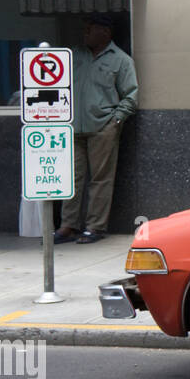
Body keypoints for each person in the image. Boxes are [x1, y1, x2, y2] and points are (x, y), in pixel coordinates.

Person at [54, 14, 138, 244]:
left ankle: (95, 227)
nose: (85, 33)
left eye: (90, 29)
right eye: (85, 28)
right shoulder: (75, 55)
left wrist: (116, 121)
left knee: (100, 179)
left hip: (103, 126)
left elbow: (131, 95)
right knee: (71, 178)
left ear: (105, 32)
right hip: (73, 127)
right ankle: (68, 225)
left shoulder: (121, 60)